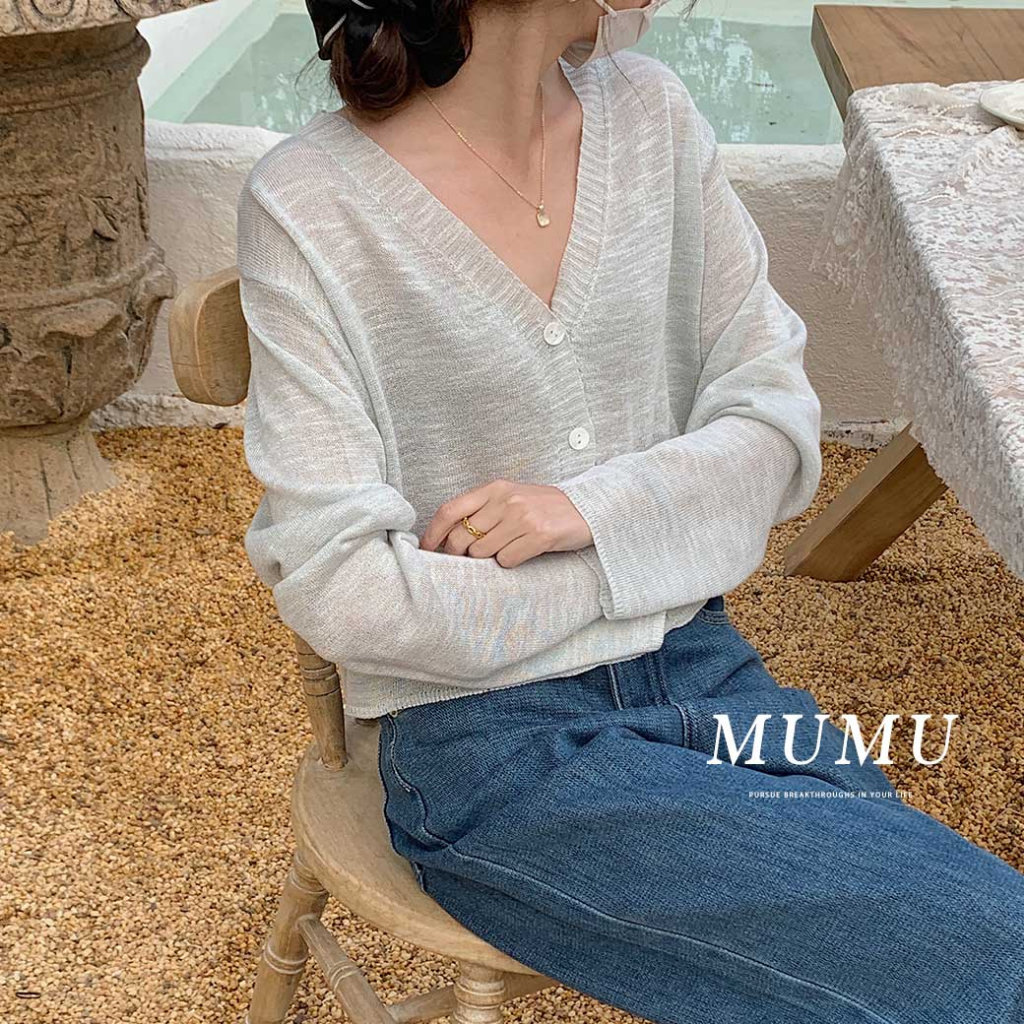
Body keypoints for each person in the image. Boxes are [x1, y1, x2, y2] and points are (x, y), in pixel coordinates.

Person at [236, 0, 1024, 1019]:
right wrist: (635, 560)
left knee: (923, 958)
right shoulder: (309, 204)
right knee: (983, 952)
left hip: (702, 668)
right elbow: (343, 590)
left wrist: (588, 513)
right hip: (490, 740)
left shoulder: (653, 118)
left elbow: (776, 427)